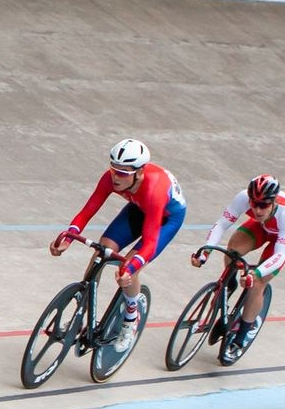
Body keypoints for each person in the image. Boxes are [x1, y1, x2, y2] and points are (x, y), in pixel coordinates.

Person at [54, 138, 186, 335]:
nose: (115, 177)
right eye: (114, 169)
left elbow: (149, 242)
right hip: (139, 208)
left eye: (123, 173)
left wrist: (130, 268)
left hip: (167, 218)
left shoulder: (154, 190)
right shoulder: (111, 178)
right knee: (103, 249)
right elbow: (87, 211)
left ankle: (131, 319)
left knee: (129, 268)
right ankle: (82, 316)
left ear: (140, 173)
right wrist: (68, 238)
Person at [192, 173, 285, 347]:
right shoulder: (243, 197)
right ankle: (230, 283)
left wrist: (256, 273)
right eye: (254, 204)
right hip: (260, 227)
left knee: (257, 283)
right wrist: (205, 252)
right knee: (232, 250)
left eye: (264, 205)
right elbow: (221, 224)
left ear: (274, 202)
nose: (257, 210)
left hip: (281, 237)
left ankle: (242, 335)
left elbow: (279, 256)